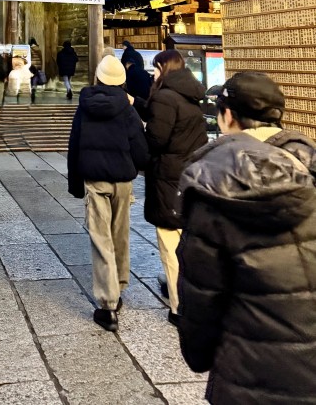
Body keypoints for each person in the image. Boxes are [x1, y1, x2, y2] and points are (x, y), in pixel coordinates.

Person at [177, 72, 316, 404]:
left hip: (247, 369)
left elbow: (201, 294)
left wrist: (198, 354)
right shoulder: (310, 166)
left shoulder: (214, 184)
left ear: (227, 116)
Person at [67, 54, 148, 332]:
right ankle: (119, 286)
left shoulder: (85, 106)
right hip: (123, 181)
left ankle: (107, 304)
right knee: (120, 234)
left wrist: (75, 184)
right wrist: (136, 165)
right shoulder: (127, 109)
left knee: (101, 240)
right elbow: (140, 148)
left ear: (98, 78)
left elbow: (74, 145)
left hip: (95, 181)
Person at [131, 50, 206, 325]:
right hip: (190, 175)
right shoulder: (189, 95)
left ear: (165, 68)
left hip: (167, 179)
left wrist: (137, 135)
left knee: (169, 243)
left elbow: (156, 139)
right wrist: (136, 102)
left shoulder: (165, 97)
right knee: (187, 242)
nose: (153, 73)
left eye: (156, 68)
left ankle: (178, 307)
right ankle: (193, 299)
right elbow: (166, 117)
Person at [28, 38, 44, 104]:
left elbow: (29, 58)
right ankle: (34, 87)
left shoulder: (30, 49)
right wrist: (41, 66)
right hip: (38, 66)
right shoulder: (38, 49)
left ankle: (32, 87)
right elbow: (41, 58)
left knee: (32, 76)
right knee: (36, 77)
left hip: (32, 66)